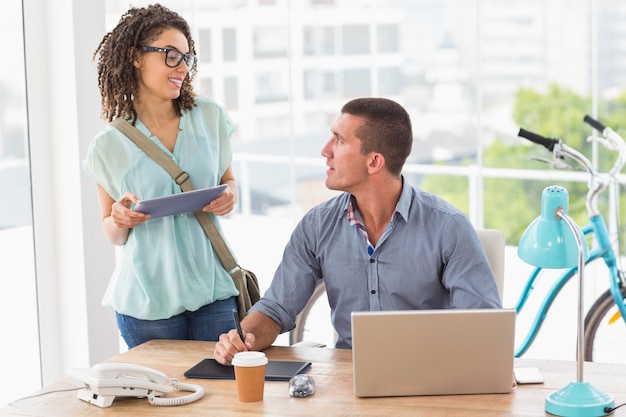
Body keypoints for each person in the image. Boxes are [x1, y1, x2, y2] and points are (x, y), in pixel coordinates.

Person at [214, 97, 502, 365]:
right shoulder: (317, 225)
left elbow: (481, 325)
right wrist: (245, 337)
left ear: (374, 161)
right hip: (348, 378)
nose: (325, 151)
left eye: (339, 140)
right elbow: (276, 308)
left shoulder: (448, 226)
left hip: (429, 372)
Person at [83, 4, 241, 349]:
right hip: (146, 302)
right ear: (135, 57)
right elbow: (110, 231)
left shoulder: (210, 117)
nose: (182, 66)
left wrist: (230, 195)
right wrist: (120, 218)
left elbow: (229, 180)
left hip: (213, 291)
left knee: (222, 399)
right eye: (171, 55)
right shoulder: (107, 145)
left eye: (188, 57)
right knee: (160, 400)